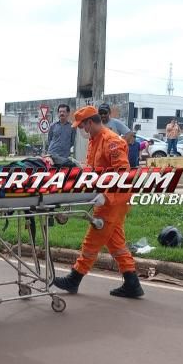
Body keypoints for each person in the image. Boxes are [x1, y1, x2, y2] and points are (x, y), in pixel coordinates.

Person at [51, 105, 144, 298]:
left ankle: (74, 278)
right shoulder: (95, 141)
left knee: (92, 241)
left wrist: (106, 195)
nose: (83, 130)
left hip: (113, 199)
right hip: (105, 198)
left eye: (84, 126)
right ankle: (132, 283)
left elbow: (122, 174)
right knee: (116, 243)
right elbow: (92, 169)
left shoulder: (111, 141)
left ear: (91, 122)